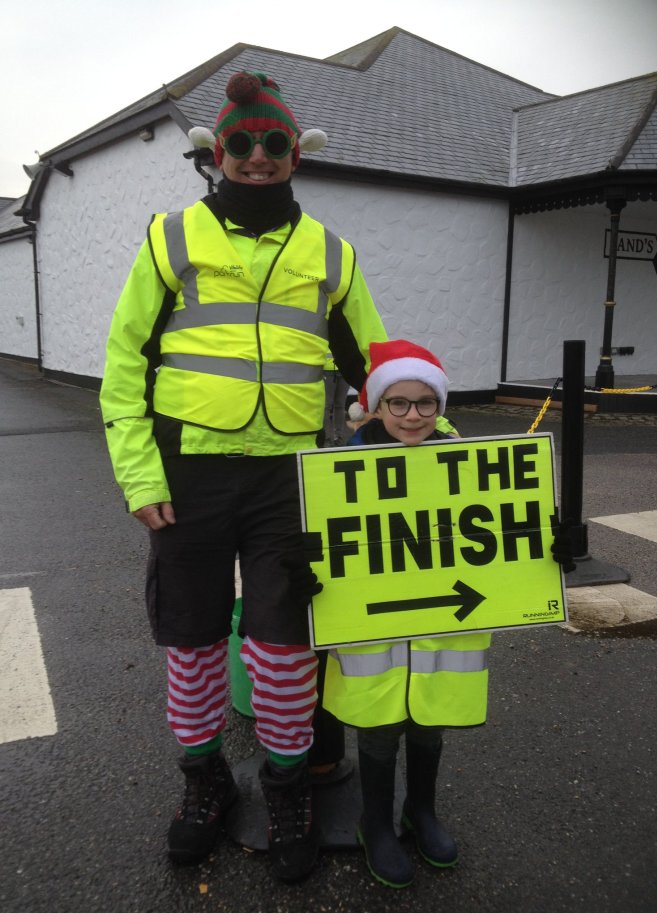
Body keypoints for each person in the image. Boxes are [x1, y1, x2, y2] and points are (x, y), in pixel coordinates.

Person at [99, 70, 387, 882]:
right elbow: (124, 363)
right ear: (217, 150)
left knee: (285, 646)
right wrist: (140, 475)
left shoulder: (332, 252)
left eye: (274, 142)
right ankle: (205, 781)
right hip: (186, 473)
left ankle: (287, 787)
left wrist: (431, 437)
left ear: (297, 153)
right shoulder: (171, 239)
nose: (257, 156)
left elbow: (377, 364)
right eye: (241, 142)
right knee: (191, 641)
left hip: (288, 478)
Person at [320, 339, 575, 888]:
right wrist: (304, 566)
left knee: (429, 723)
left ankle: (422, 811)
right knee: (378, 730)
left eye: (426, 402)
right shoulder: (336, 470)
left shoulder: (470, 465)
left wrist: (553, 542)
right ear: (376, 406)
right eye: (398, 402)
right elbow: (318, 541)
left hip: (444, 633)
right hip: (374, 634)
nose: (413, 415)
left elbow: (508, 530)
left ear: (440, 405)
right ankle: (375, 824)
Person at [322, 350, 350, 447]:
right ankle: (326, 438)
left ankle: (339, 437)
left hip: (344, 369)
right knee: (327, 405)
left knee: (340, 405)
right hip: (327, 370)